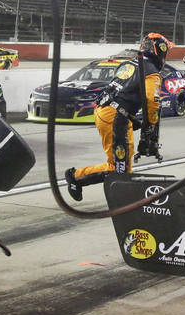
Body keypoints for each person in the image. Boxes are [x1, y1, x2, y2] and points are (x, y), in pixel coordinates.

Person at [64, 32, 170, 201]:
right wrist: (150, 126)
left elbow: (122, 90)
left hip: (105, 111)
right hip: (115, 117)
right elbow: (152, 101)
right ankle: (76, 177)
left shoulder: (130, 63)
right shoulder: (151, 72)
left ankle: (84, 181)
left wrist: (131, 118)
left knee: (121, 166)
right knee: (119, 169)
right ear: (161, 51)